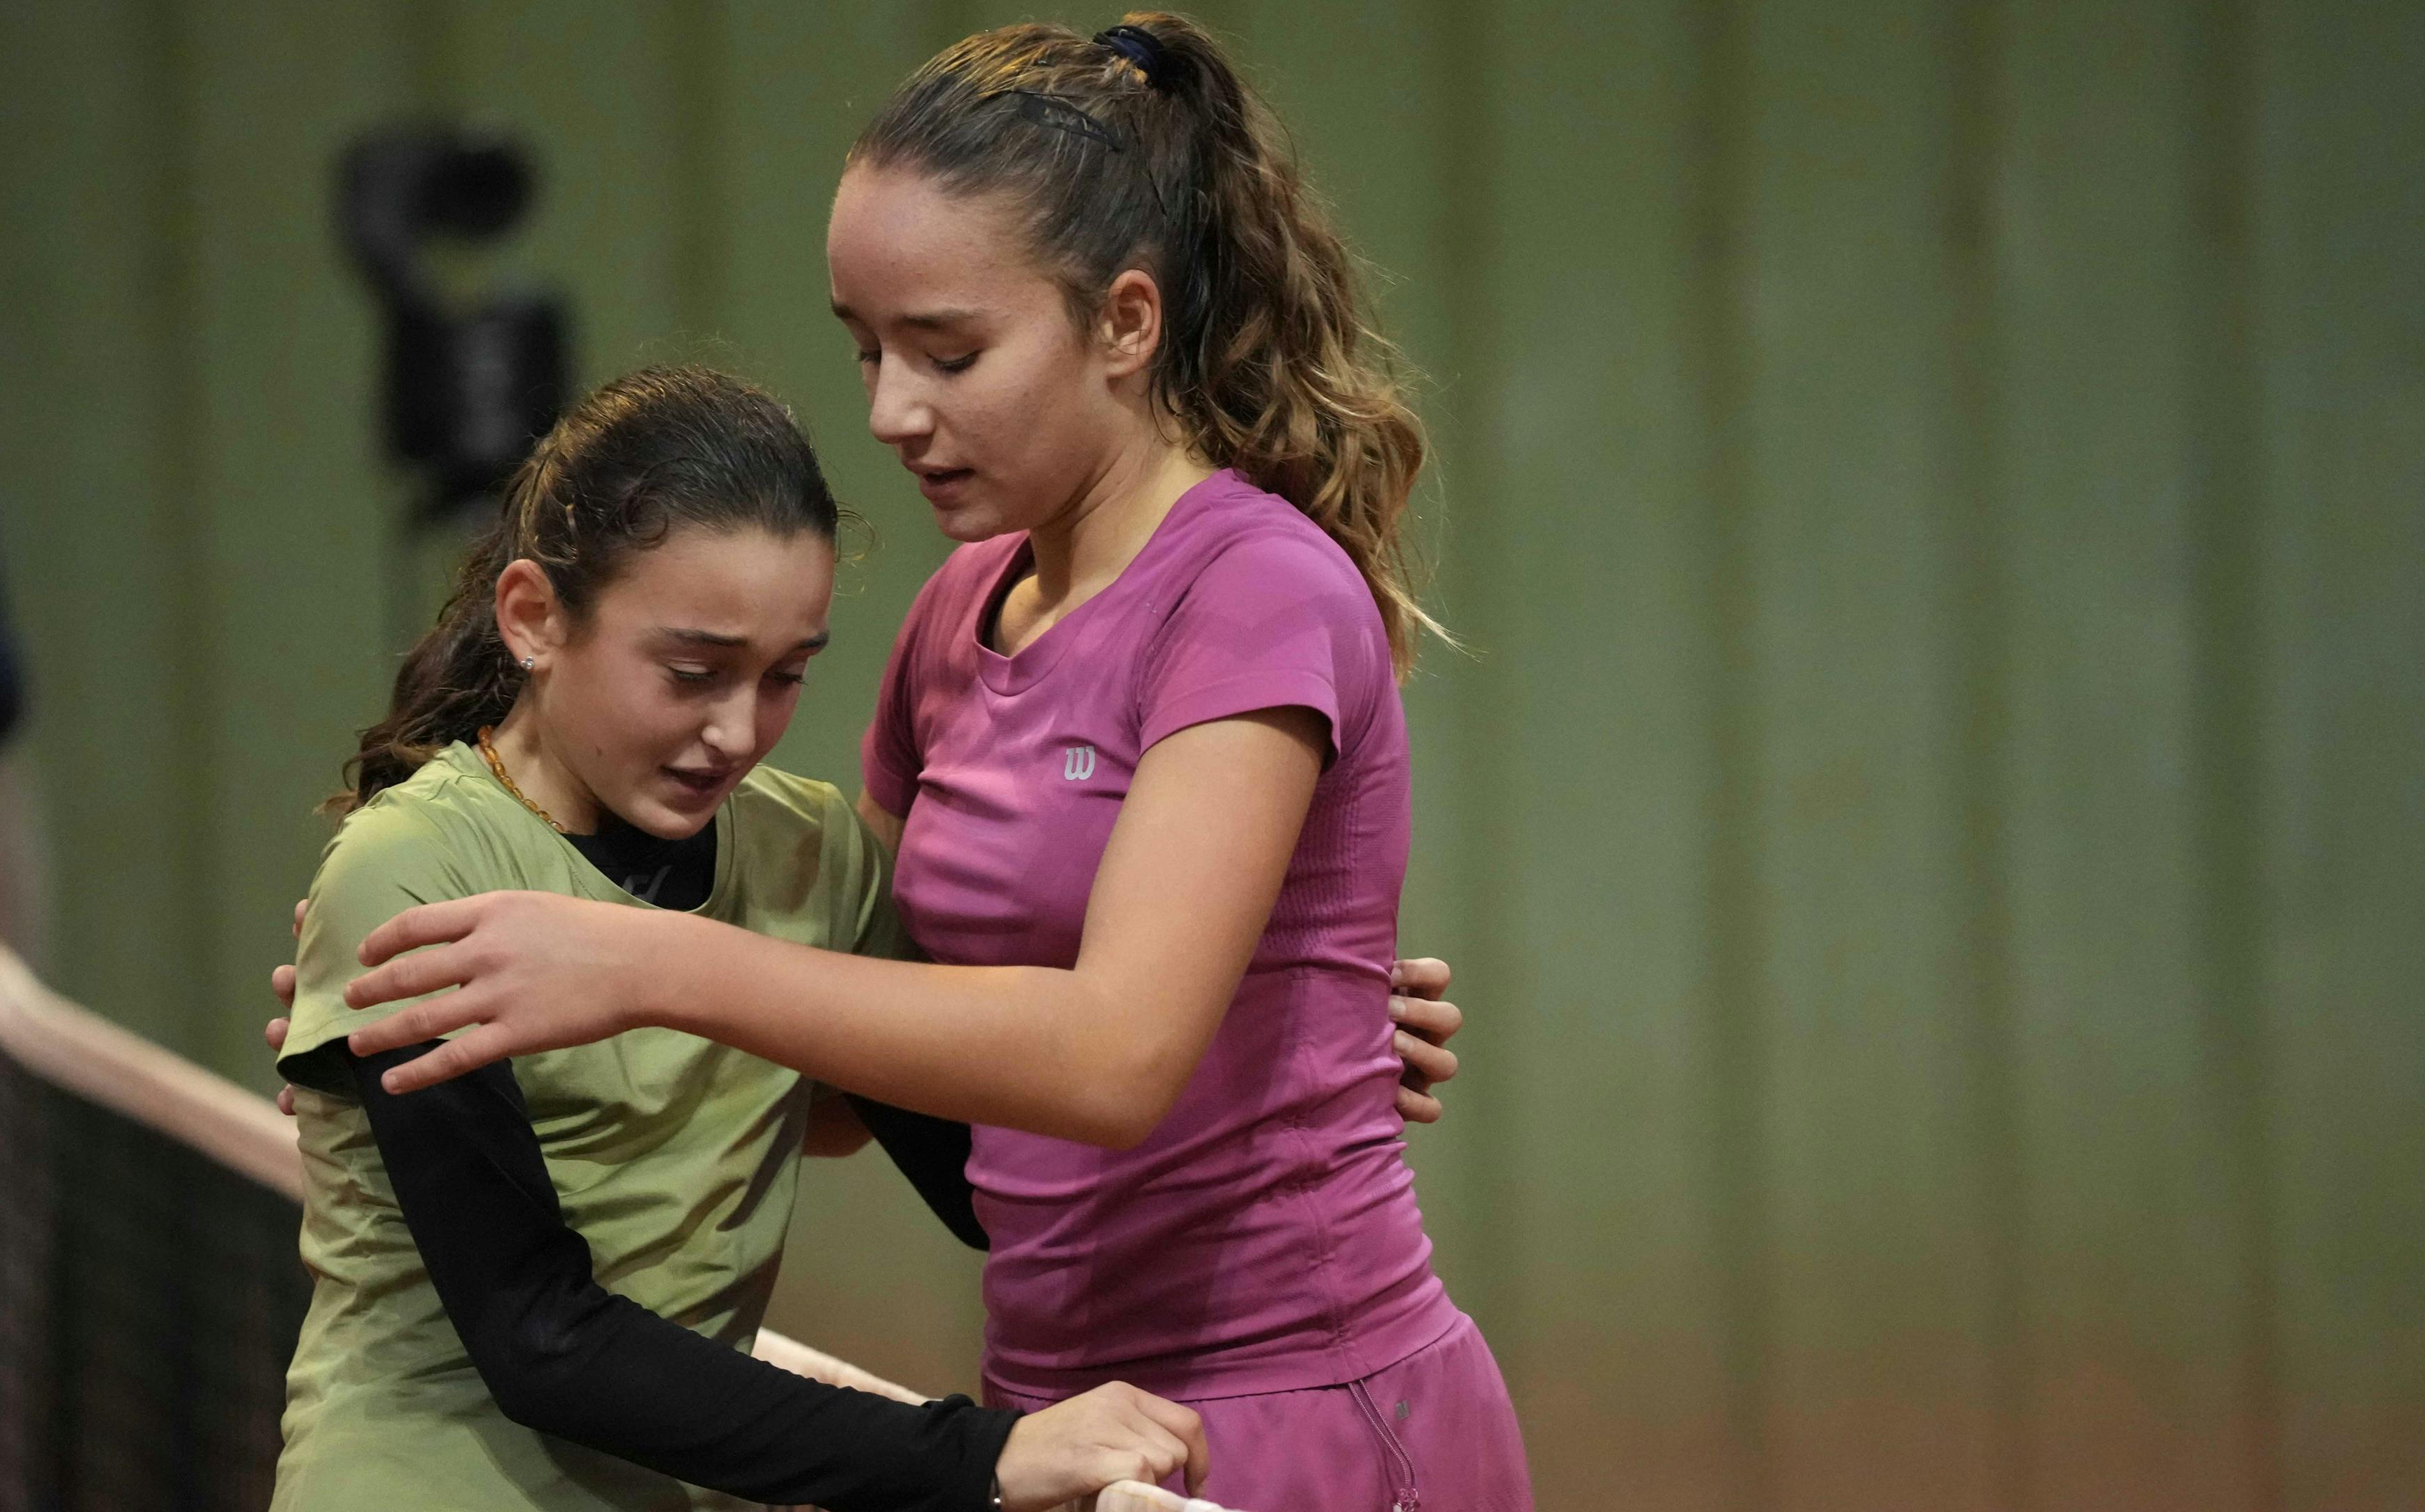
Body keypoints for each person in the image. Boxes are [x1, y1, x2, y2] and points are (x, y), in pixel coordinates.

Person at [327, 17, 1531, 1511]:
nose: (892, 411)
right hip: (1060, 1425)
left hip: (1295, 1420)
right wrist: (469, 1044)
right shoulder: (957, 614)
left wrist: (634, 964)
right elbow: (856, 1094)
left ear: (1126, 324)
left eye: (950, 352)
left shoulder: (1256, 592)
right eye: (866, 348)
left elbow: (1110, 1058)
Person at [270, 365, 1209, 1512]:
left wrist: (1263, 1018)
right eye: (693, 672)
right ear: (533, 619)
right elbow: (541, 1339)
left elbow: (995, 1183)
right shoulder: (411, 870)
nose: (735, 732)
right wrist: (980, 1457)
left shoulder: (813, 856)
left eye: (785, 678)